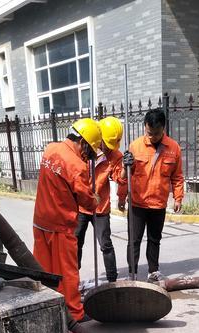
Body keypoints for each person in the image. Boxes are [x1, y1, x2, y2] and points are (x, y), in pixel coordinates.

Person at [33, 118, 101, 323]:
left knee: (44, 269)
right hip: (62, 225)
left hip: (40, 221)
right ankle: (75, 314)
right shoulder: (76, 166)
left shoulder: (50, 149)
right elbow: (86, 201)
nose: (89, 157)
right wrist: (94, 199)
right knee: (68, 272)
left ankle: (46, 305)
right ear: (84, 143)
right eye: (90, 151)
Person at [122, 108, 184, 282]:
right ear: (145, 127)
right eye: (149, 133)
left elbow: (177, 176)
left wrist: (178, 197)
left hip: (158, 203)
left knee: (154, 239)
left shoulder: (173, 148)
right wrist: (125, 166)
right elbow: (125, 175)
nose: (152, 137)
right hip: (138, 203)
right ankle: (132, 273)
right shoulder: (135, 146)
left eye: (156, 134)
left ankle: (153, 271)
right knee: (134, 240)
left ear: (163, 128)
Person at [75, 116, 127, 283]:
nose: (106, 148)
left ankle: (112, 281)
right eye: (105, 143)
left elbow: (120, 179)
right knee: (76, 243)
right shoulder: (84, 149)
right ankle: (73, 278)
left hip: (100, 207)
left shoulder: (114, 155)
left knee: (105, 244)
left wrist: (126, 167)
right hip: (82, 206)